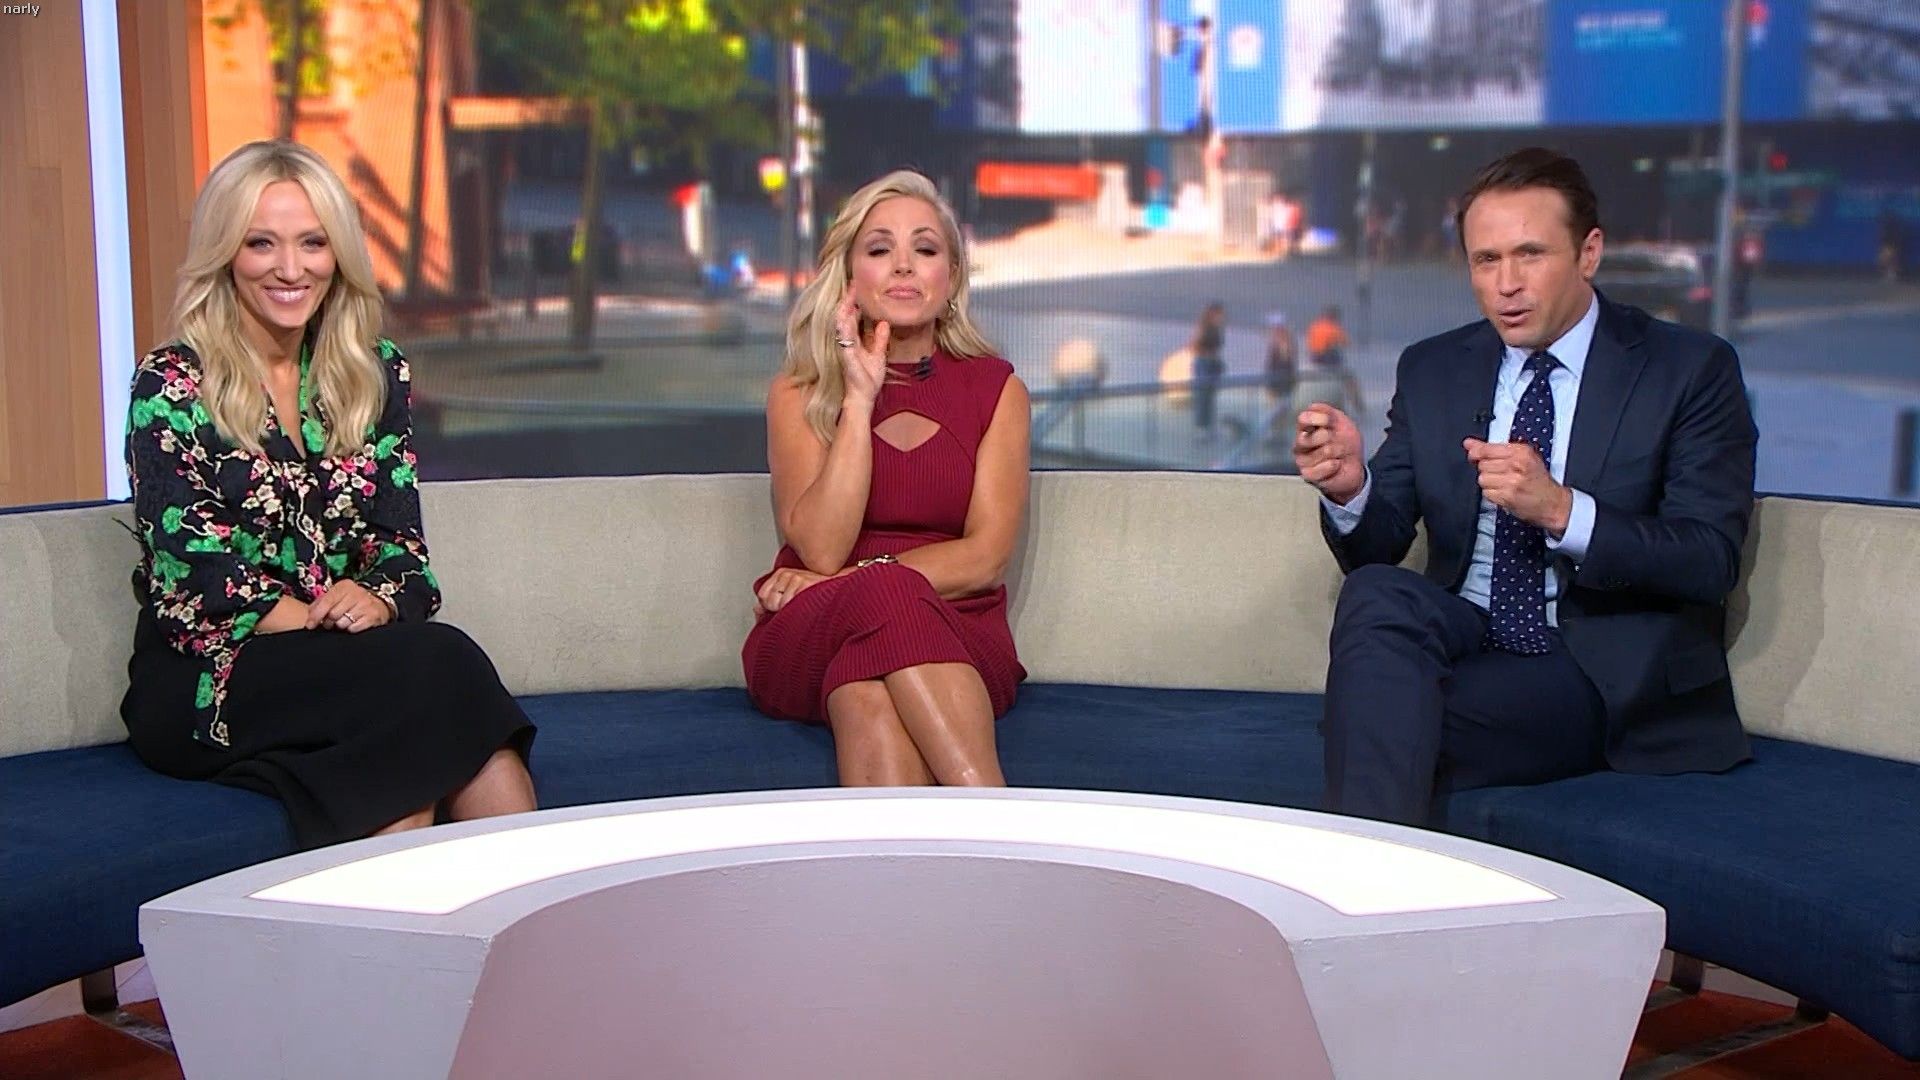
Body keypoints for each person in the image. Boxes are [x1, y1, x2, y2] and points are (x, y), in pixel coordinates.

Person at [1293, 146, 1757, 826]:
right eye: (1486, 260)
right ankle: (1377, 868)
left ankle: (1360, 866)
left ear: (1588, 253)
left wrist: (1563, 511)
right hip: (1468, 630)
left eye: (1530, 255)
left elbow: (1708, 559)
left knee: (1374, 718)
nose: (1506, 284)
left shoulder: (1688, 368)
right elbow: (1377, 549)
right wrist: (1350, 488)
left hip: (1594, 661)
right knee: (1376, 596)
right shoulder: (1433, 369)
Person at [121, 140, 537, 848]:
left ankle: (462, 913)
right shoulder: (171, 386)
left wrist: (378, 601)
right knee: (440, 669)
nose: (291, 269)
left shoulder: (372, 373)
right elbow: (201, 583)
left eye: (313, 243)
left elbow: (402, 551)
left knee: (422, 727)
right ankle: (526, 912)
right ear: (225, 254)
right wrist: (333, 627)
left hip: (352, 668)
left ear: (338, 254)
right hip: (212, 676)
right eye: (261, 243)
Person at [742, 169, 1029, 787]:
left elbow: (985, 557)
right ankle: (1001, 822)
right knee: (883, 609)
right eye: (879, 250)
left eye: (924, 250)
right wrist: (858, 401)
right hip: (814, 626)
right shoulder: (798, 392)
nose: (903, 265)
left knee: (866, 694)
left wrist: (860, 580)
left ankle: (910, 855)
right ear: (849, 274)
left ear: (951, 277)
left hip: (956, 622)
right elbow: (821, 549)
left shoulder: (997, 390)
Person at [1190, 301, 1228, 440]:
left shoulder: (1218, 329)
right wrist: (1207, 355)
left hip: (1212, 365)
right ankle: (1201, 428)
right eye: (1220, 313)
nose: (1222, 316)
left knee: (1210, 397)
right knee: (1203, 396)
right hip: (1204, 364)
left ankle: (1209, 427)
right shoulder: (1204, 328)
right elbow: (1195, 346)